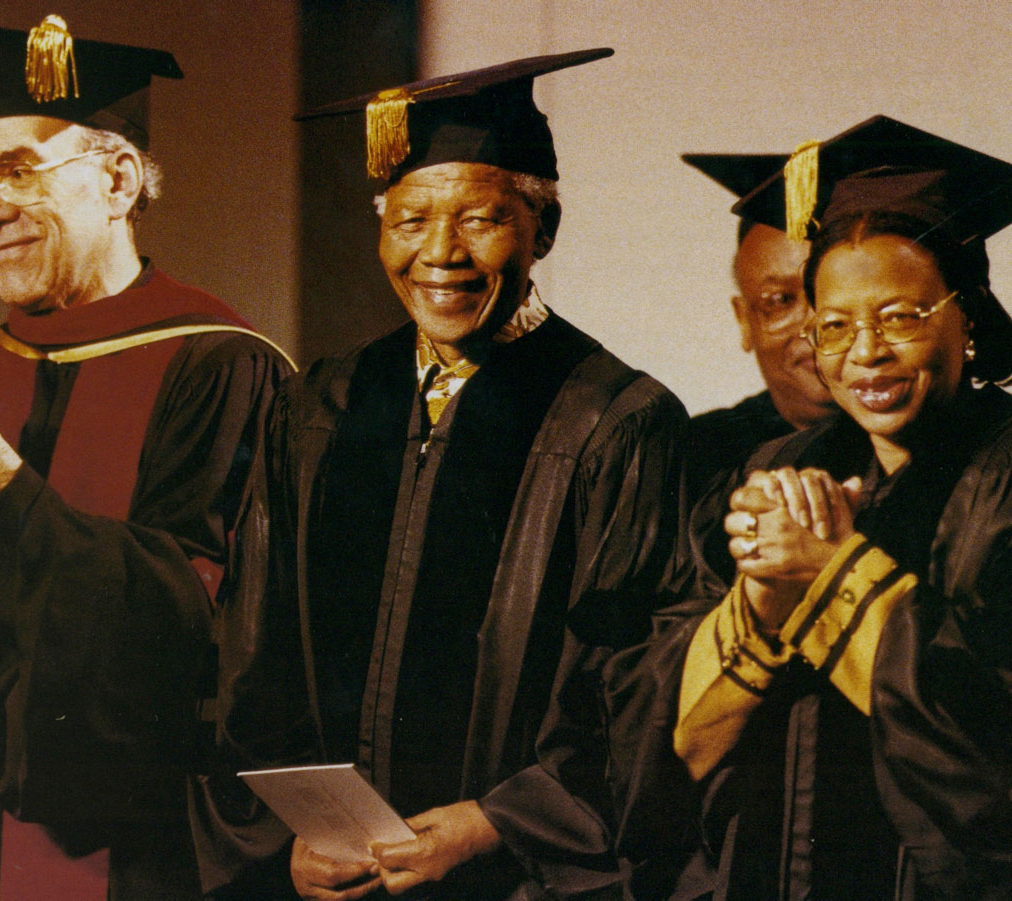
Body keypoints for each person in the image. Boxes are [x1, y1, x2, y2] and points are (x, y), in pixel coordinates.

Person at [0, 15, 291, 900]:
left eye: (18, 171)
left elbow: (191, 633)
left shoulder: (221, 368)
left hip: (138, 867)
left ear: (116, 178)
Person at [196, 50, 688, 899]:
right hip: (338, 873)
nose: (441, 254)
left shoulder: (615, 420)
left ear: (544, 230)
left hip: (515, 878)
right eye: (411, 219)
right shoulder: (323, 404)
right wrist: (286, 838)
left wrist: (497, 821)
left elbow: (638, 684)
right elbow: (249, 651)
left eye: (480, 219)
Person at [609, 115, 1012, 899]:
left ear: (969, 313)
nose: (864, 351)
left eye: (900, 316)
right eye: (834, 324)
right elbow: (662, 761)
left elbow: (989, 781)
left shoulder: (1004, 478)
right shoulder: (779, 469)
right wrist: (759, 603)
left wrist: (831, 573)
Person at [681, 153, 835, 497]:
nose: (814, 323)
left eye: (830, 294)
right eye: (780, 300)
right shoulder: (696, 457)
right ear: (744, 320)